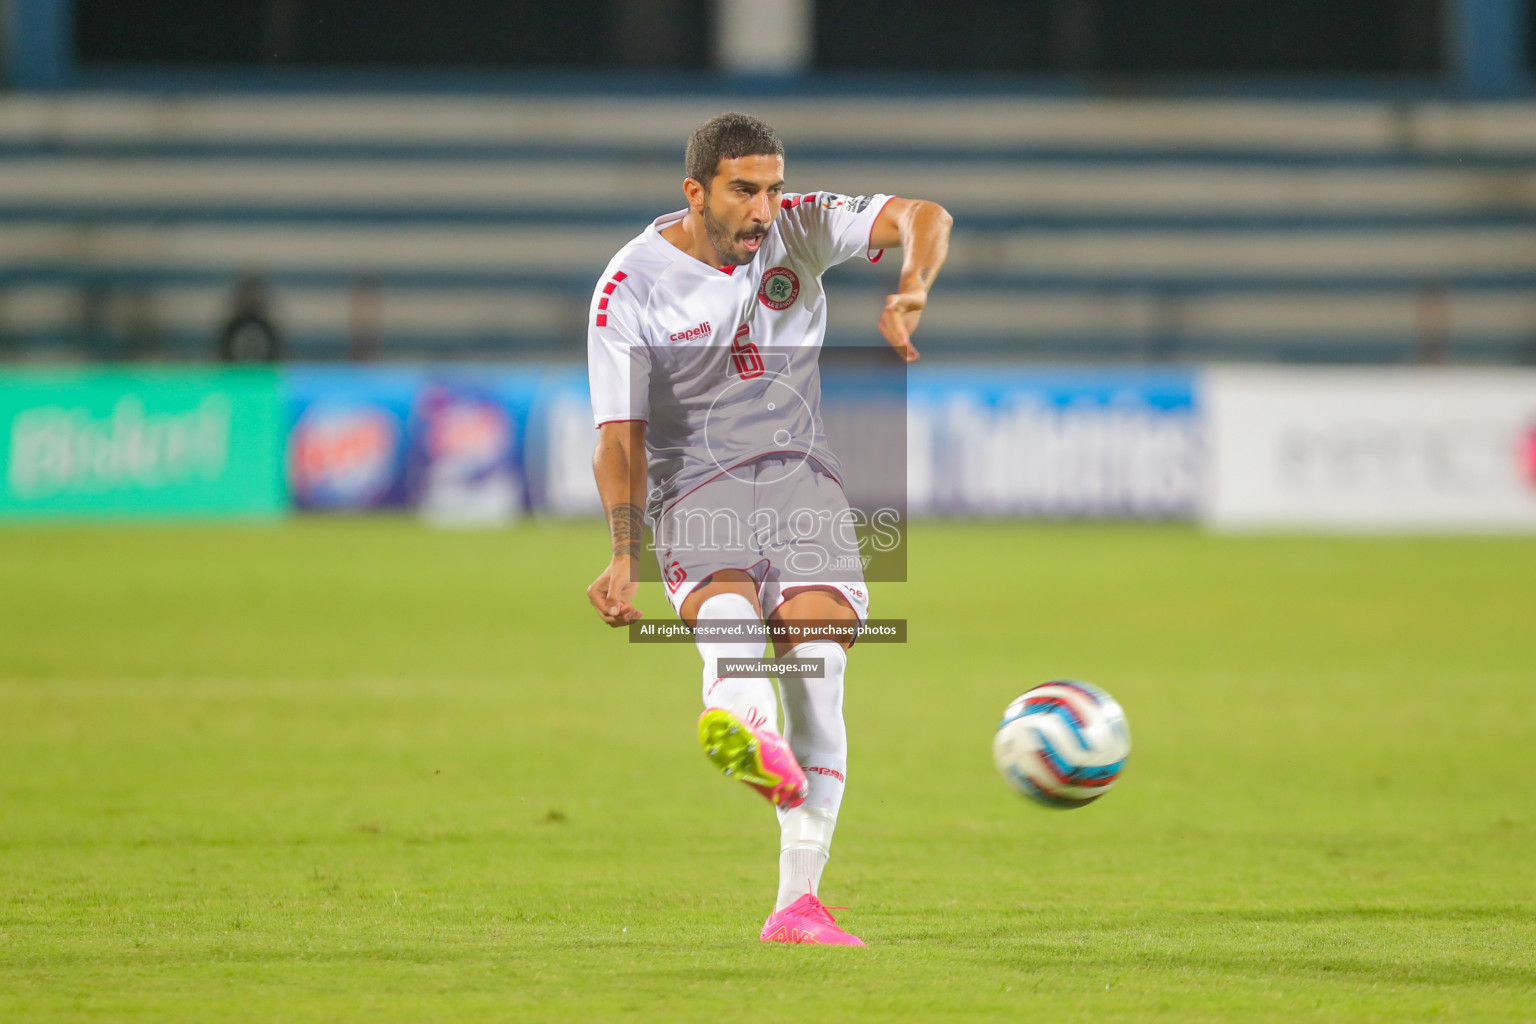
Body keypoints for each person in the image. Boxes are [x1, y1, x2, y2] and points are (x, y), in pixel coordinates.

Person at [585, 112, 951, 945]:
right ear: (696, 191)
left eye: (773, 188)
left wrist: (915, 283)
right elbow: (618, 437)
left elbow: (926, 216)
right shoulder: (630, 284)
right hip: (696, 482)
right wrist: (620, 553)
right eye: (744, 190)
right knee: (731, 621)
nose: (763, 209)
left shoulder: (800, 227)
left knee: (819, 666)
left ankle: (797, 904)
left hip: (801, 475)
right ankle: (745, 730)